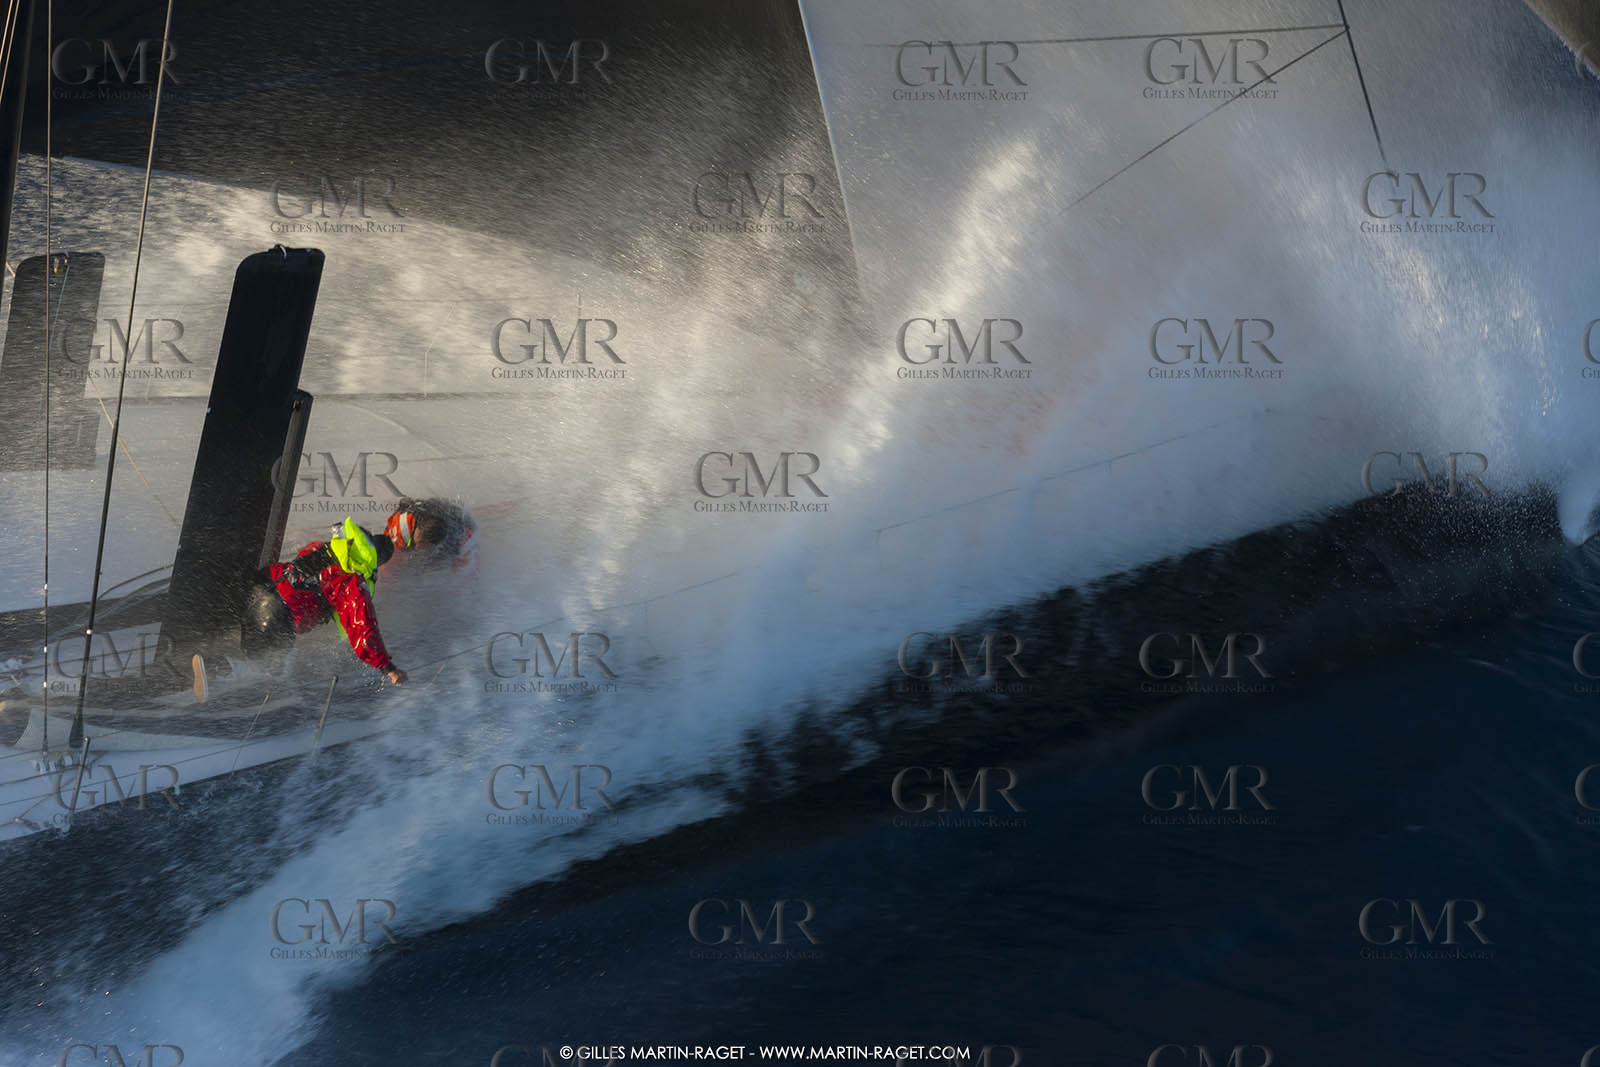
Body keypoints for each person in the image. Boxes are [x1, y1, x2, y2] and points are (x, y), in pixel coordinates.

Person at [191, 512, 435, 702]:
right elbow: (363, 628)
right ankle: (219, 670)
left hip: (261, 587)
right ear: (377, 561)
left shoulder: (330, 547)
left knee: (250, 641)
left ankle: (203, 661)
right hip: (277, 616)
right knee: (272, 670)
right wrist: (388, 668)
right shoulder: (351, 582)